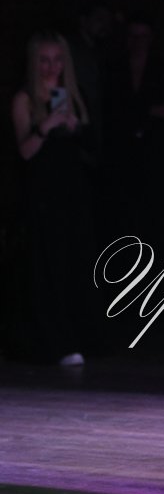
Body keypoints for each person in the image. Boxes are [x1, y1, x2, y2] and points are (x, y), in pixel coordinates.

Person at [10, 31, 97, 366]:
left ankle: (78, 335)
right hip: (43, 193)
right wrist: (46, 126)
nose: (51, 67)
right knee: (48, 264)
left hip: (73, 190)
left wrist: (74, 127)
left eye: (57, 60)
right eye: (45, 61)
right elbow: (25, 151)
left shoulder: (73, 96)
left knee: (74, 261)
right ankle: (53, 340)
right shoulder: (25, 99)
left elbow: (90, 149)